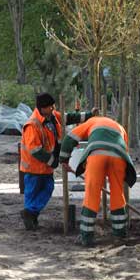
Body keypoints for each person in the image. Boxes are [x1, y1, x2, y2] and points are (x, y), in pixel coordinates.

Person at [19, 92, 98, 230]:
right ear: (42, 108)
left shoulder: (53, 116)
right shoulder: (32, 125)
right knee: (32, 194)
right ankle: (31, 218)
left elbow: (70, 117)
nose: (53, 108)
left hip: (45, 167)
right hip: (33, 167)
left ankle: (30, 214)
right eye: (50, 107)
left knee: (48, 188)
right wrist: (53, 161)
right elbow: (35, 150)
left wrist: (90, 115)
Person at [59, 116, 137, 247]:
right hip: (118, 157)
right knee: (117, 193)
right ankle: (120, 233)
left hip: (96, 156)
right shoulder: (120, 128)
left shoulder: (91, 122)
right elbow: (125, 149)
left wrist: (64, 160)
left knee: (92, 194)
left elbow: (69, 139)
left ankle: (86, 237)